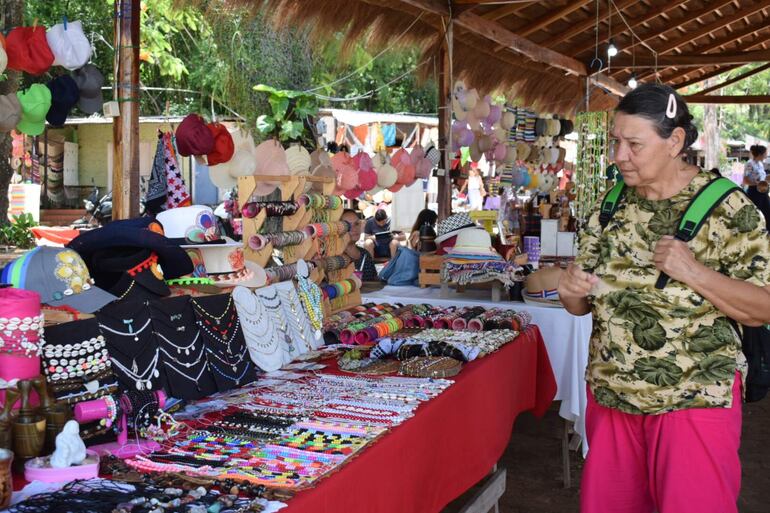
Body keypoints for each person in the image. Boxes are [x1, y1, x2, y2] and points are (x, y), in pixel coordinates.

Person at [557, 83, 770, 513]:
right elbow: (583, 303)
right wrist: (570, 293)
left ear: (674, 142)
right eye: (617, 141)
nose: (619, 155)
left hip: (694, 397)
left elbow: (762, 307)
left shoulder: (727, 207)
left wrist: (693, 271)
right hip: (612, 393)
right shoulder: (610, 203)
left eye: (634, 144)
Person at [340, 209, 379, 282]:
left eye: (357, 224)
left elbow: (374, 280)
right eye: (347, 225)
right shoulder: (334, 258)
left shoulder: (365, 254)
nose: (354, 228)